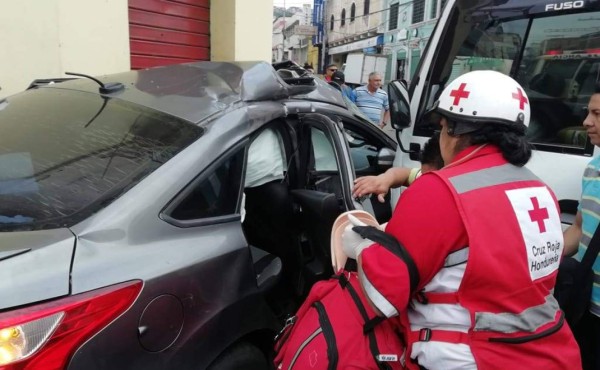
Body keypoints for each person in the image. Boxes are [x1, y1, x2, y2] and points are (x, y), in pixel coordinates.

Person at [342, 70, 582, 369]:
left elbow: (383, 295)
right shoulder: (539, 189)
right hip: (553, 351)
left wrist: (360, 247)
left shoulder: (439, 190)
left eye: (441, 127)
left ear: (454, 128)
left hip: (470, 357)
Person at [563, 81, 600, 370]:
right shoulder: (593, 167)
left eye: (597, 114)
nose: (587, 122)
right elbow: (578, 227)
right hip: (586, 305)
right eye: (589, 113)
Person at [352, 133, 443, 203]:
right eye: (423, 176)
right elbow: (405, 174)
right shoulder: (426, 176)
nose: (423, 182)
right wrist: (385, 179)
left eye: (430, 180)